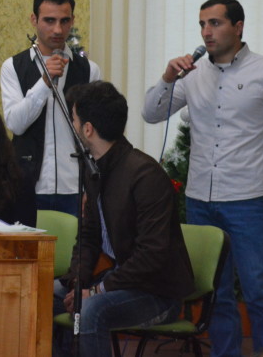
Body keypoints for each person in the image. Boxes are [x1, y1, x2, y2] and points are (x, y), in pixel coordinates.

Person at [142, 0, 263, 356]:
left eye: (215, 23)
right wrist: (168, 78)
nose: (207, 32)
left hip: (249, 201)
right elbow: (151, 114)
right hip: (200, 200)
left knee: (259, 290)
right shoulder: (192, 75)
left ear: (238, 26)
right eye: (202, 24)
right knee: (215, 294)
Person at [58, 81, 194, 357]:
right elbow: (88, 238)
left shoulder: (145, 175)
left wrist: (97, 291)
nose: (72, 126)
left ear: (88, 129)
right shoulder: (95, 170)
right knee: (42, 292)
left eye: (73, 119)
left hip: (157, 294)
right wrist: (77, 283)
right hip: (120, 283)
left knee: (91, 310)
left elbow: (152, 255)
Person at [0, 0, 101, 216]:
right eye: (49, 20)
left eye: (64, 21)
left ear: (72, 20)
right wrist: (44, 82)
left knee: (76, 241)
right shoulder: (13, 67)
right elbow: (16, 124)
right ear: (34, 20)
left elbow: (95, 133)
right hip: (29, 185)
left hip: (75, 187)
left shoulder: (89, 70)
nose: (57, 29)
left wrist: (90, 187)